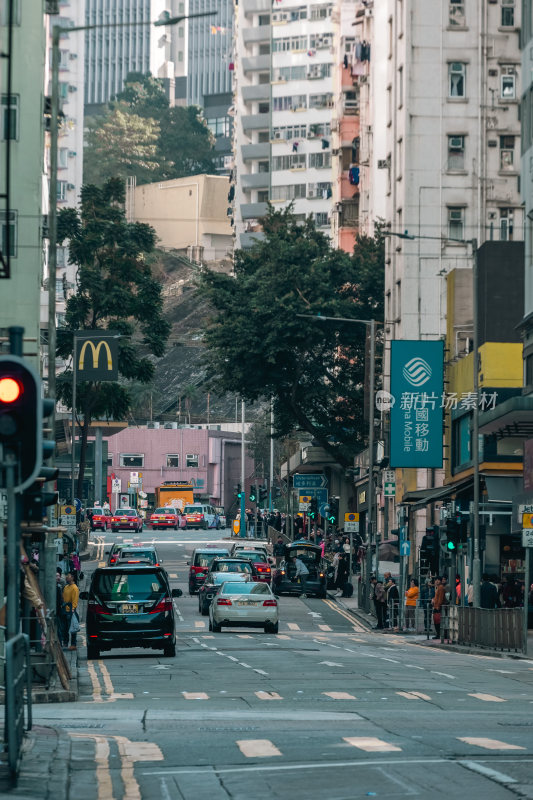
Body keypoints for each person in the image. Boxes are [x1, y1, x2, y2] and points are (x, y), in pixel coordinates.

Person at [62, 572, 79, 650]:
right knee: (65, 628)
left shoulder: (74, 588)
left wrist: (73, 610)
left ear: (72, 577)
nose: (66, 577)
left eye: (68, 576)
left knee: (72, 628)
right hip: (64, 610)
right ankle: (65, 643)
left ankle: (73, 644)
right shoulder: (66, 587)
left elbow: (75, 600)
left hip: (70, 611)